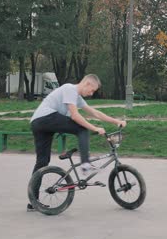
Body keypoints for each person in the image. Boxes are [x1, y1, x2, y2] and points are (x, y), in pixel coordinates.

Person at [27, 74, 126, 211]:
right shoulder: (69, 89)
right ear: (86, 83)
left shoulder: (76, 97)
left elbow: (95, 113)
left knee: (42, 162)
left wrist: (116, 121)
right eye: (91, 90)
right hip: (46, 119)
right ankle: (85, 165)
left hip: (38, 124)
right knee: (82, 129)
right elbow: (75, 116)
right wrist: (94, 128)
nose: (91, 94)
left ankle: (33, 202)